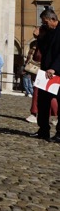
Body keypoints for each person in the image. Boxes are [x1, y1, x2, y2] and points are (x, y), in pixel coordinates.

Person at [33, 8, 60, 141]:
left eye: (45, 22)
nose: (44, 24)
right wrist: (38, 37)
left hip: (58, 73)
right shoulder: (49, 32)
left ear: (53, 20)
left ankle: (59, 133)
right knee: (43, 102)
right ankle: (43, 130)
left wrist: (54, 68)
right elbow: (44, 50)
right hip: (46, 72)